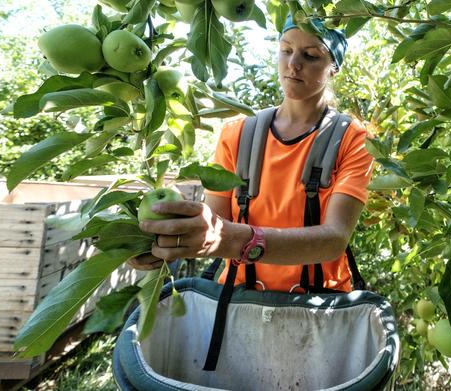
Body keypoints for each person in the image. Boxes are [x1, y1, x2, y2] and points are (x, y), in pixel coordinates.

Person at [130, 15, 374, 292]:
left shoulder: (352, 138)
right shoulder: (237, 135)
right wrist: (164, 240)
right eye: (286, 50)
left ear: (333, 68)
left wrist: (238, 240)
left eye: (311, 55)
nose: (294, 64)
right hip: (240, 302)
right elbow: (213, 227)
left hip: (319, 307)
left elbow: (334, 240)